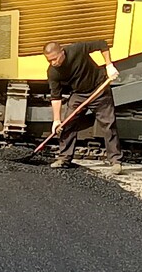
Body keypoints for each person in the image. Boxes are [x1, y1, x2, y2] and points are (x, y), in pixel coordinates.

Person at [43, 39, 123, 175]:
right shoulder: (53, 72)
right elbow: (56, 96)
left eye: (55, 59)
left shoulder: (77, 49)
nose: (53, 63)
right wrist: (56, 120)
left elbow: (102, 44)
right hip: (79, 94)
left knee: (108, 124)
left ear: (62, 52)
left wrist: (109, 65)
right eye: (49, 60)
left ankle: (116, 161)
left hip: (99, 89)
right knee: (67, 124)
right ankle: (64, 158)